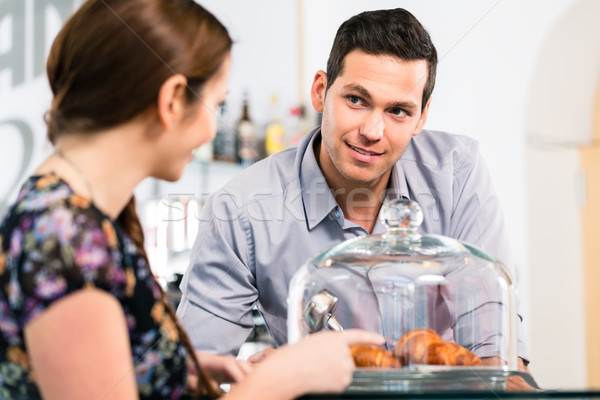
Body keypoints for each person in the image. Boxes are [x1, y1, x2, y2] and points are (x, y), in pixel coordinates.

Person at [0, 1, 385, 399]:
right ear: (172, 101)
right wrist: (285, 377)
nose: (209, 130)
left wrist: (166, 368)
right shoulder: (66, 240)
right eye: (216, 106)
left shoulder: (63, 215)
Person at [177, 7, 534, 387]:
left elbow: (498, 356)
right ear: (320, 92)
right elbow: (192, 375)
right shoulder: (239, 209)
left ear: (421, 118)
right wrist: (272, 380)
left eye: (398, 110)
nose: (372, 130)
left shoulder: (457, 174)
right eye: (357, 100)